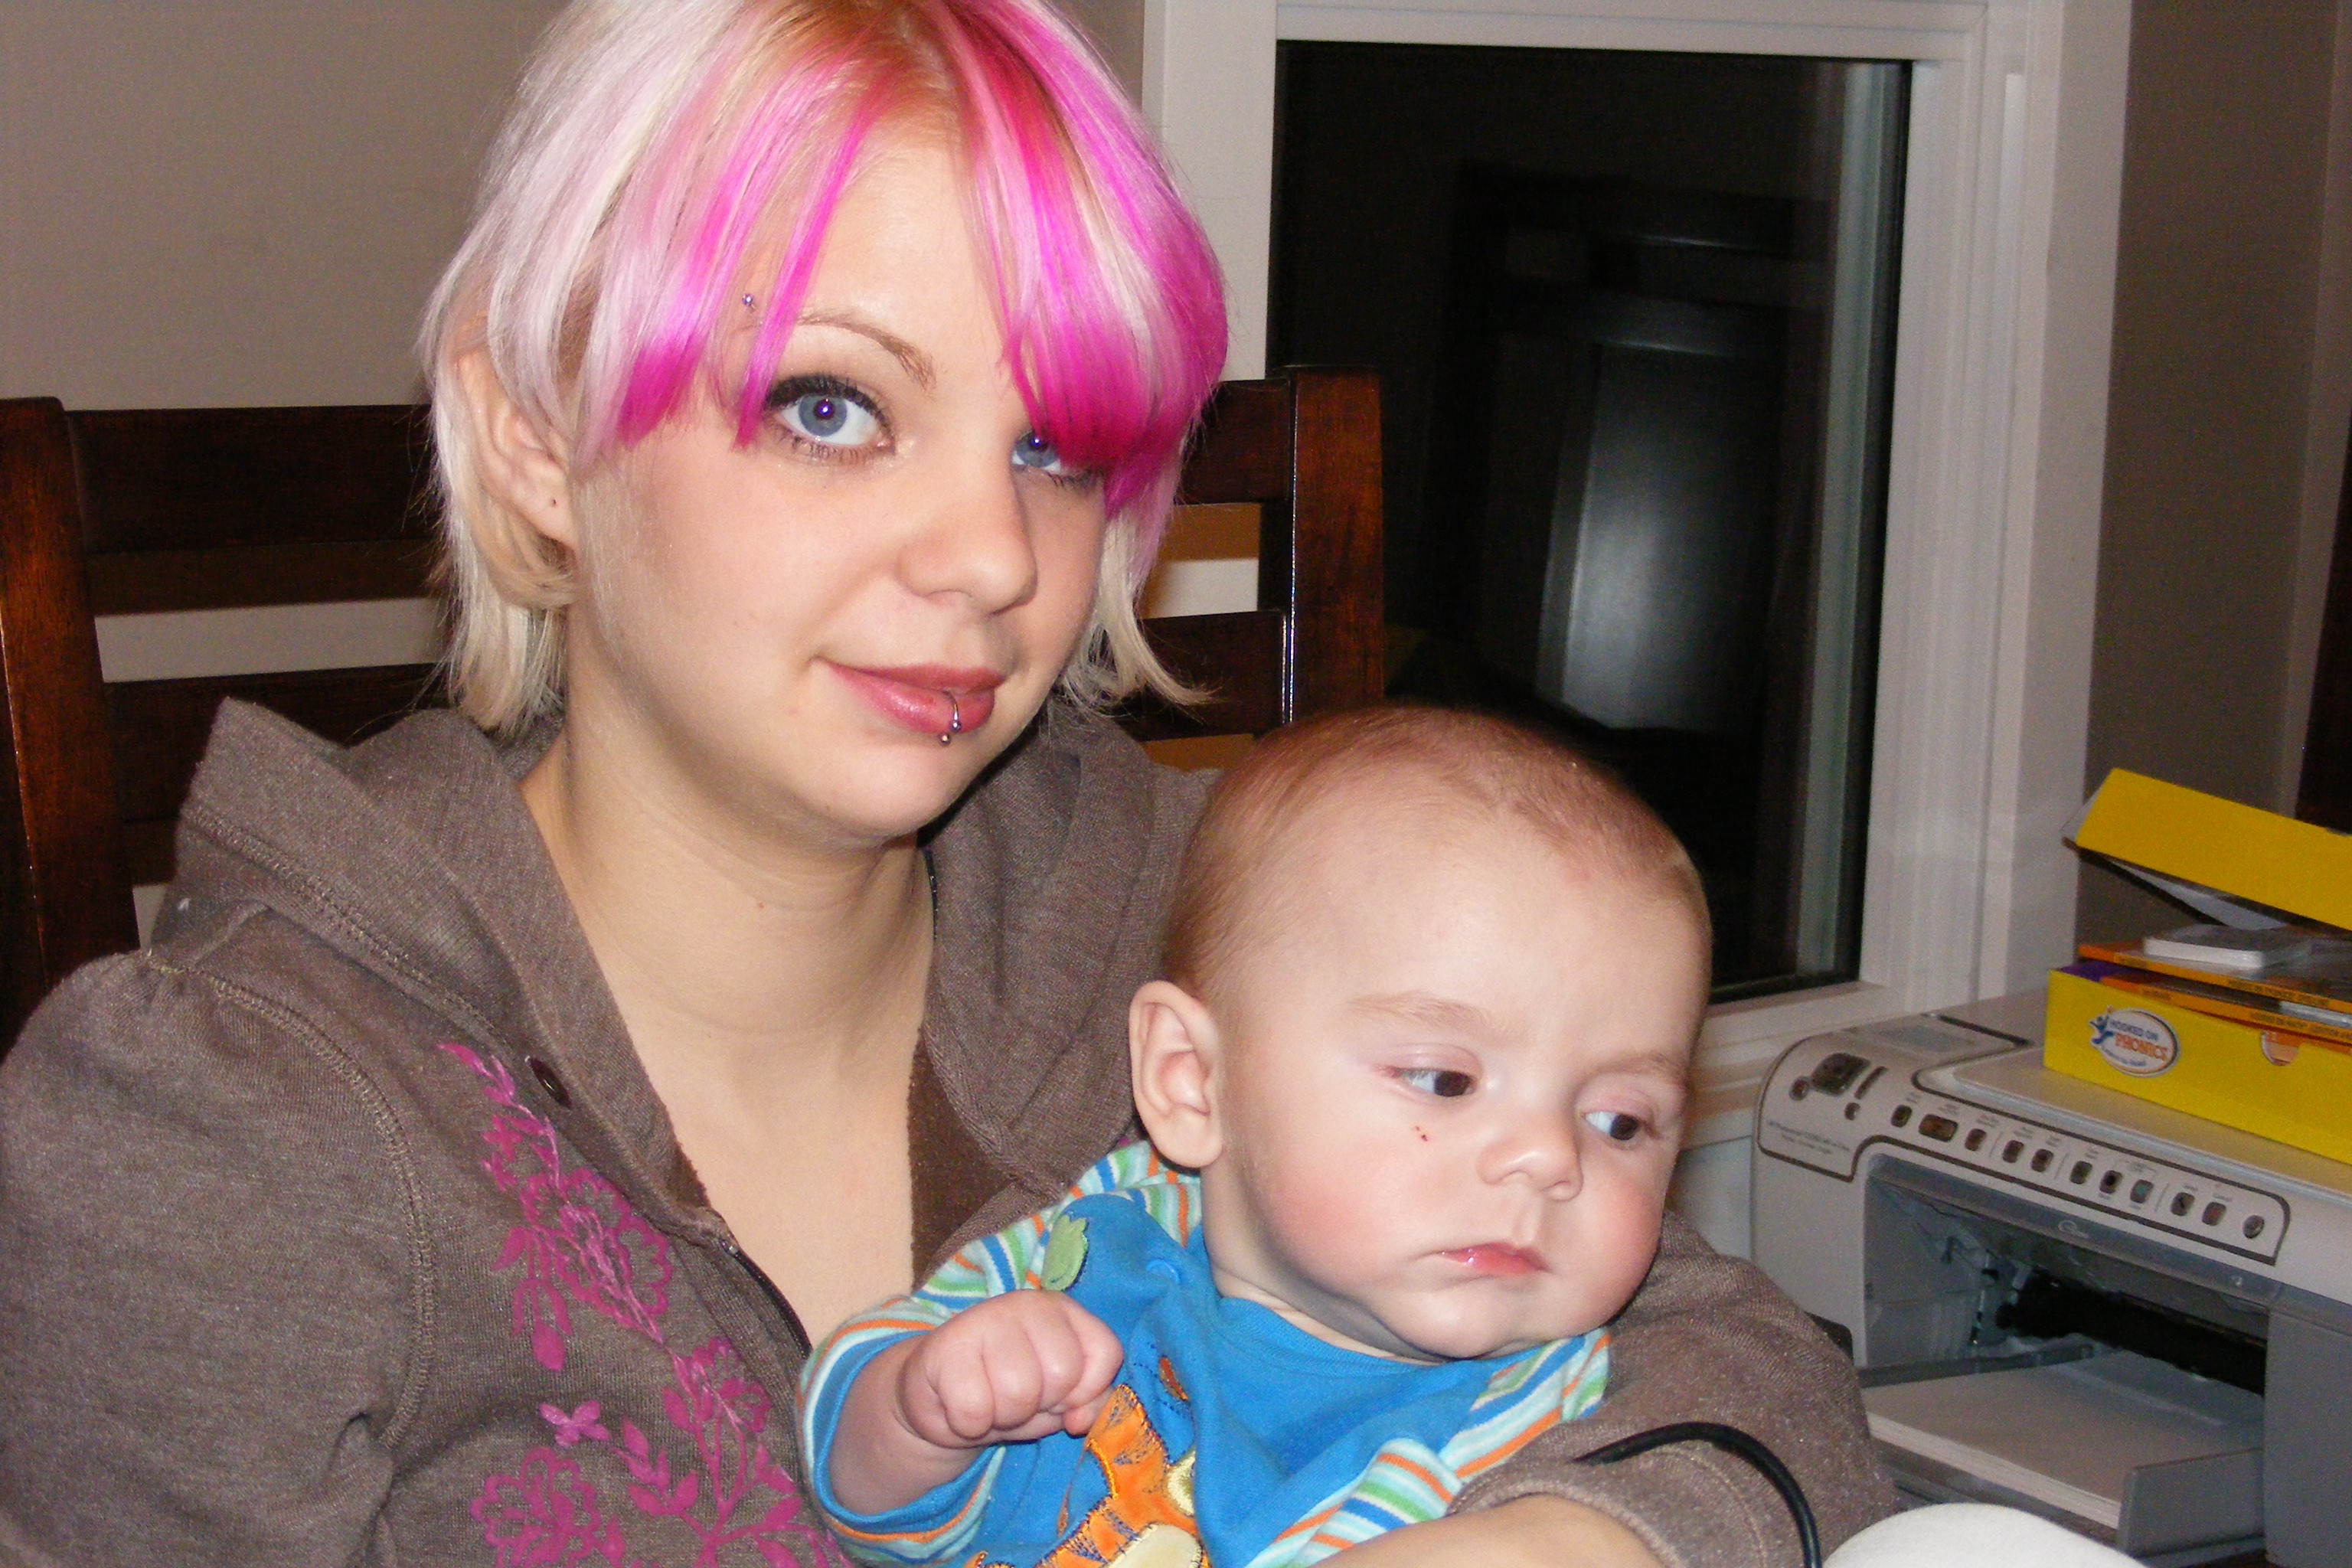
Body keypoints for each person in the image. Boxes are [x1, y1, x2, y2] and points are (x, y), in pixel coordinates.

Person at [0, 2, 1895, 1565]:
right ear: (536, 442)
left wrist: (1577, 1534)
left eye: (1053, 445)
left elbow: (1746, 1364)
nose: (995, 556)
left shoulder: (1200, 902)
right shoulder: (228, 1125)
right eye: (831, 406)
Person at [801, 707, 1710, 1567]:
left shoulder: (1561, 1435)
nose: (1551, 1155)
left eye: (1620, 1121)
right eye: (1445, 1080)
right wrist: (921, 1409)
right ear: (1191, 1080)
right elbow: (850, 1473)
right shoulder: (1102, 1235)